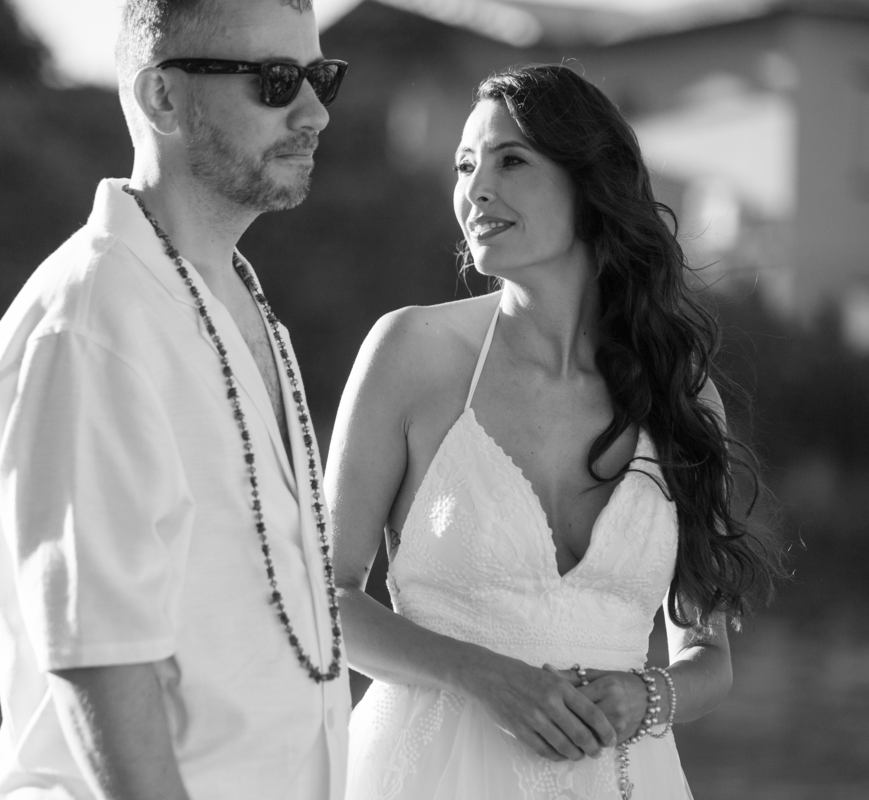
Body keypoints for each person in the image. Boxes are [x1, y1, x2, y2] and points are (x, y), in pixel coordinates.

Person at [327, 64, 782, 800]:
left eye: (510, 160)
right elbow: (325, 600)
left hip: (624, 778)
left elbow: (709, 657)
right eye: (465, 165)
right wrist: (484, 676)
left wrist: (646, 696)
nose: (476, 189)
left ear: (590, 183)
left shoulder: (678, 392)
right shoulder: (411, 354)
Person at [0, 2, 351, 798]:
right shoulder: (92, 322)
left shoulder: (235, 299)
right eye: (277, 80)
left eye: (321, 77)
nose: (313, 112)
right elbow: (99, 655)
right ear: (163, 98)